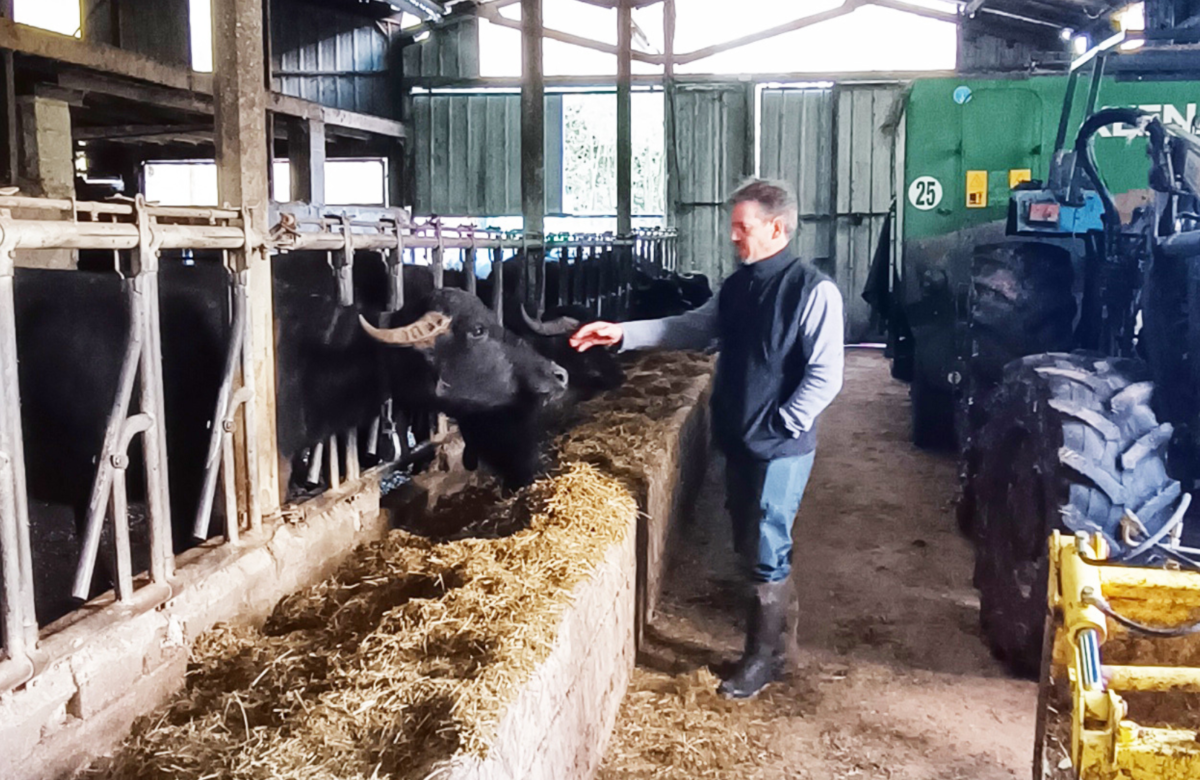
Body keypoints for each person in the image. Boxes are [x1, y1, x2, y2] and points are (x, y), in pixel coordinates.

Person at [569, 178, 845, 699]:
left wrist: (783, 422)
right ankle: (780, 647)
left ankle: (761, 660)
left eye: (743, 227)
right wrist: (623, 333)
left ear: (777, 228)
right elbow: (693, 327)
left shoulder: (813, 291)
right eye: (733, 226)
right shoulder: (739, 287)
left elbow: (826, 374)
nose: (733, 236)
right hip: (740, 437)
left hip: (779, 447)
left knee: (765, 544)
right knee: (751, 540)